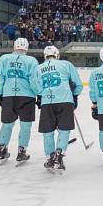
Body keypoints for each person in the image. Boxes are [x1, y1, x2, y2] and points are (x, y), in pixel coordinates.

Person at [30, 45, 82, 173]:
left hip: (47, 102)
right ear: (57, 55)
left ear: (45, 56)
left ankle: (50, 157)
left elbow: (35, 87)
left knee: (48, 132)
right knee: (64, 130)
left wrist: (43, 94)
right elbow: (78, 85)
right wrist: (74, 94)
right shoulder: (66, 64)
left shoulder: (38, 68)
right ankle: (59, 156)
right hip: (65, 100)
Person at [0, 38, 39, 164]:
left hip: (8, 95)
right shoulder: (31, 60)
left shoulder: (4, 58)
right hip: (27, 96)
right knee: (26, 125)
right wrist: (39, 94)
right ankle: (22, 152)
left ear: (14, 46)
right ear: (26, 47)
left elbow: (0, 77)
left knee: (7, 124)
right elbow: (33, 80)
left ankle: (3, 150)